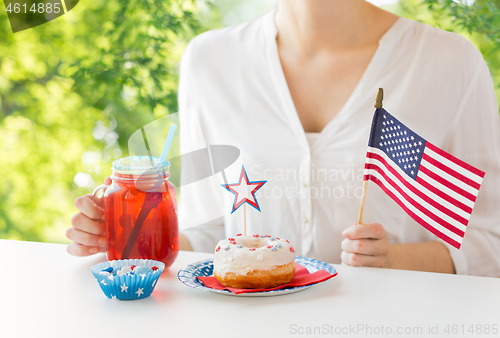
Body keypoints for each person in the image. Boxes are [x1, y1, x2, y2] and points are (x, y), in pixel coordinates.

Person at [66, 0, 500, 277]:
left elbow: (491, 245)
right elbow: (212, 233)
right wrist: (133, 236)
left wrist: (395, 260)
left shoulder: (448, 63)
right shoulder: (209, 61)